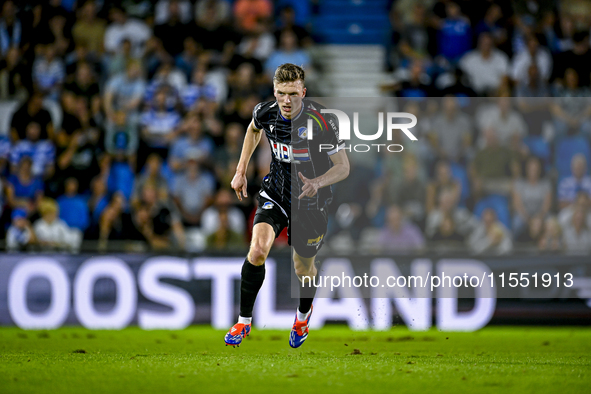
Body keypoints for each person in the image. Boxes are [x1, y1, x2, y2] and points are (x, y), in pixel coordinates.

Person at [224, 63, 349, 348]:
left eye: (293, 93)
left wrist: (318, 181)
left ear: (303, 92)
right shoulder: (264, 112)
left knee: (303, 269)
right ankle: (244, 323)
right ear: (275, 92)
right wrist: (241, 170)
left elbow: (343, 167)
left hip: (311, 201)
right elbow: (253, 129)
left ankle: (303, 316)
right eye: (281, 93)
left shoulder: (322, 121)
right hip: (277, 193)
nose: (287, 101)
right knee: (256, 251)